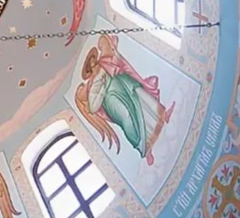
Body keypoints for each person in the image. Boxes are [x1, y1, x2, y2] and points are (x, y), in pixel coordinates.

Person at [74, 35, 176, 166]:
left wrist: (114, 49)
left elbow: (118, 62)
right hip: (112, 100)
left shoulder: (104, 63)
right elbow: (93, 107)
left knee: (142, 97)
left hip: (124, 85)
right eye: (90, 63)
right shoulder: (91, 85)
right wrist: (102, 89)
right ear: (89, 69)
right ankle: (144, 149)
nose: (93, 63)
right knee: (126, 118)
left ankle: (163, 114)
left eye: (93, 59)